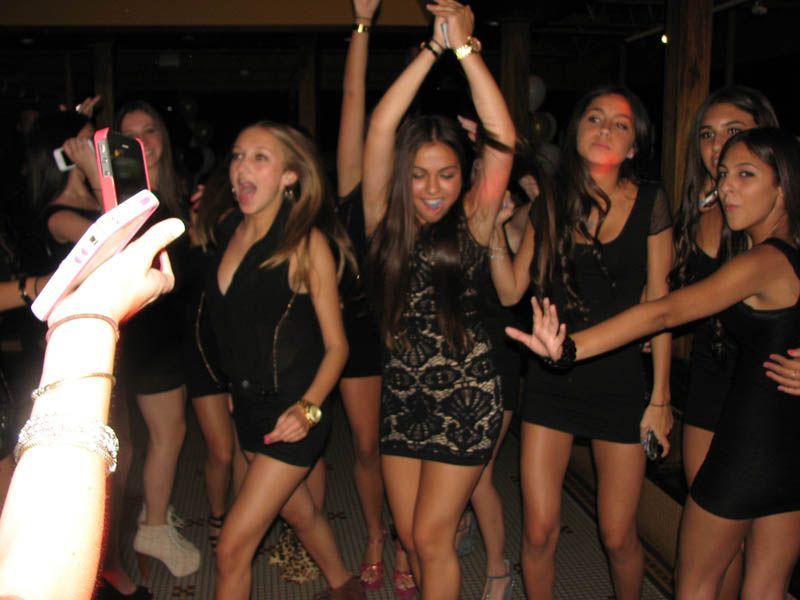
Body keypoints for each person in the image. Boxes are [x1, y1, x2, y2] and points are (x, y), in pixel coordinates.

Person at [509, 126, 800, 600]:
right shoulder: (784, 252)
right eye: (723, 174)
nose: (725, 186)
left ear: (784, 183)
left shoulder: (762, 261)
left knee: (695, 585)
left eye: (745, 175)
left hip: (748, 448)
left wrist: (568, 348)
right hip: (791, 450)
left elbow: (664, 311)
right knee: (766, 590)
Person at [489, 85, 673, 599]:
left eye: (620, 123)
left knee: (617, 536)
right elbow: (510, 287)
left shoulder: (652, 203)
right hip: (551, 380)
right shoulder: (551, 199)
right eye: (594, 118)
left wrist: (660, 398)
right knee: (540, 530)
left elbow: (661, 305)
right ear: (575, 135)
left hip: (619, 383)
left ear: (634, 145)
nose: (605, 129)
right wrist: (494, 235)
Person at [362, 1, 515, 597]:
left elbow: (501, 140)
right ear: (403, 176)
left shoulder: (475, 221)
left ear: (464, 175)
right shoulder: (383, 219)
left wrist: (467, 50)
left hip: (467, 397)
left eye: (447, 173)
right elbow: (381, 127)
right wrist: (431, 48)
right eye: (420, 174)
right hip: (403, 397)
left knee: (432, 538)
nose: (432, 189)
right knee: (410, 534)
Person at [207, 121, 362, 599]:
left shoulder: (305, 243)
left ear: (290, 176)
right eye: (237, 156)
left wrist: (310, 409)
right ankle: (344, 586)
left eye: (260, 158)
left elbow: (339, 347)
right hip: (249, 406)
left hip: (296, 411)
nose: (241, 168)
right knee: (299, 511)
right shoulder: (229, 229)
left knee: (232, 547)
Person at [0, 217, 185, 600]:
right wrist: (87, 319)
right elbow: (34, 586)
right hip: (61, 346)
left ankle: (108, 565)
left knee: (117, 457)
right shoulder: (59, 213)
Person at [669, 85, 800, 599]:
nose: (717, 144)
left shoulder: (771, 211)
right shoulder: (702, 208)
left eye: (734, 133)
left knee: (747, 552)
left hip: (767, 382)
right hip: (713, 374)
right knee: (711, 543)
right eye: (707, 135)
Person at [335, 0, 415, 595]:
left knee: (407, 444)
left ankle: (413, 538)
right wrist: (363, 23)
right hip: (357, 331)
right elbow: (355, 102)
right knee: (366, 447)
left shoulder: (418, 204)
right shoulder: (351, 191)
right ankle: (373, 533)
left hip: (410, 334)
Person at [114, 101, 201, 579]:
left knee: (156, 438)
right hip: (148, 333)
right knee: (170, 435)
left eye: (149, 130)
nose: (143, 140)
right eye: (130, 136)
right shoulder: (127, 194)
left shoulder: (168, 187)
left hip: (168, 326)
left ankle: (156, 510)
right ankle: (152, 525)